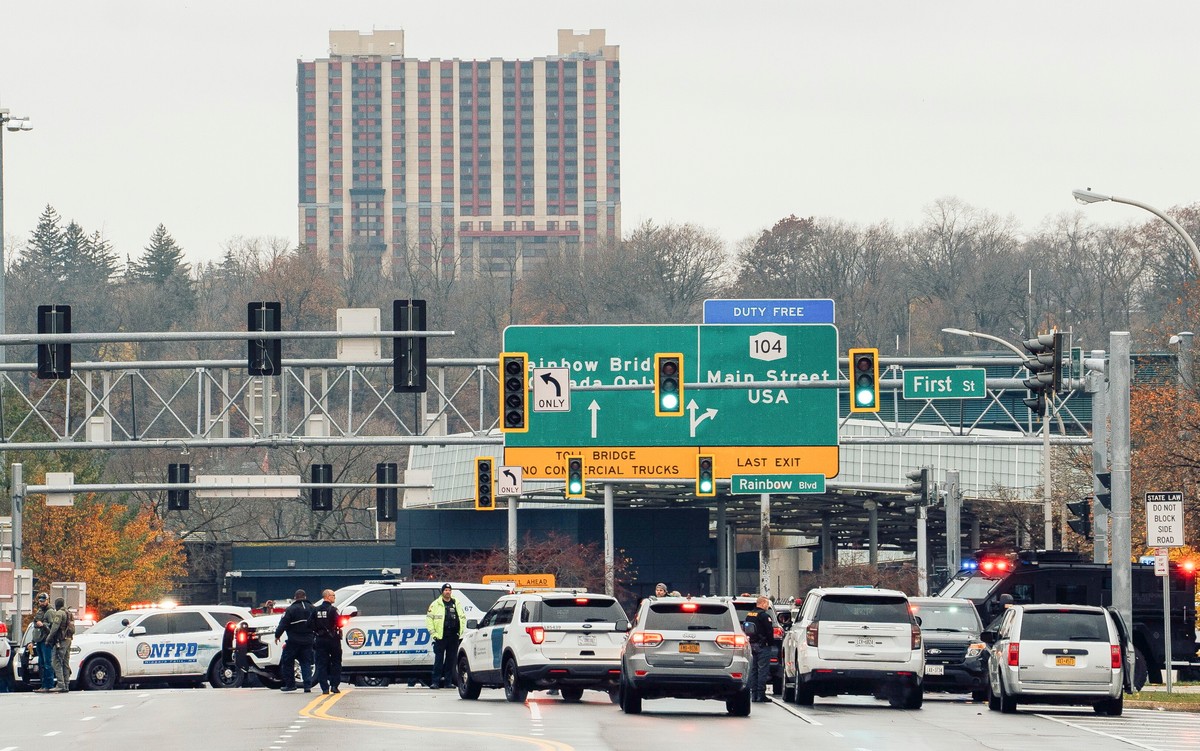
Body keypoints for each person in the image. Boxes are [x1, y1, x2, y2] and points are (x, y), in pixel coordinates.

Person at [275, 589, 316, 693]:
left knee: (287, 661)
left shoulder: (290, 609)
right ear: (305, 597)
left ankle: (290, 685)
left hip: (293, 641)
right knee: (305, 662)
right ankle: (307, 686)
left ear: (295, 598)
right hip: (308, 641)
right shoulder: (312, 608)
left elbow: (283, 624)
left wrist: (277, 635)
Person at [425, 583, 465, 689]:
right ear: (442, 592)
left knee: (450, 660)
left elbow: (462, 617)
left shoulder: (456, 603)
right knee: (438, 660)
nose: (448, 592)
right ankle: (435, 682)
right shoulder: (435, 604)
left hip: (453, 636)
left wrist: (460, 632)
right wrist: (434, 634)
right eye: (446, 590)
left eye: (449, 590)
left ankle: (448, 682)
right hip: (441, 636)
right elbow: (429, 619)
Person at [309, 589, 342, 695]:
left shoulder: (315, 610)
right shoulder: (333, 610)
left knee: (321, 664)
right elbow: (339, 623)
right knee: (336, 662)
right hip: (333, 639)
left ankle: (324, 688)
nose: (334, 597)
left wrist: (317, 630)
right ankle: (334, 686)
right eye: (333, 595)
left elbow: (308, 624)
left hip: (320, 639)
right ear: (327, 596)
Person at [743, 595, 774, 703]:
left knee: (753, 670)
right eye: (767, 604)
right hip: (762, 646)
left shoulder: (750, 614)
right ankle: (761, 694)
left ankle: (754, 694)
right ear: (763, 603)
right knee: (763, 670)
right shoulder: (764, 616)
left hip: (752, 645)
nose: (767, 606)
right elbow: (769, 632)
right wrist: (770, 643)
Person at [32, 593, 58, 693]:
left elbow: (53, 628)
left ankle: (49, 685)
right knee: (41, 664)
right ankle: (43, 685)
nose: (41, 602)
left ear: (47, 600)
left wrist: (43, 625)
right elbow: (35, 626)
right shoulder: (39, 611)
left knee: (47, 664)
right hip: (39, 640)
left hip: (46, 641)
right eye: (40, 600)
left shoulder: (50, 612)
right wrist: (33, 641)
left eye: (43, 600)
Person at [50, 598, 72, 693]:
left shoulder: (59, 613)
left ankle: (60, 684)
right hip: (69, 639)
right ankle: (66, 684)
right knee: (65, 663)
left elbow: (55, 627)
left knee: (56, 661)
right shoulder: (69, 613)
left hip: (61, 640)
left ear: (56, 604)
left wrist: (49, 638)